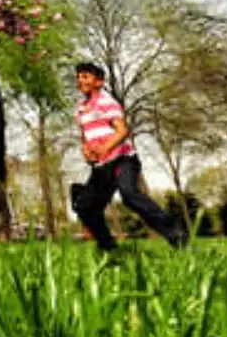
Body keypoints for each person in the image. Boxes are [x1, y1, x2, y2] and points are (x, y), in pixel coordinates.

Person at [70, 61, 187, 252]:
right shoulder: (81, 109)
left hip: (123, 160)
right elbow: (84, 136)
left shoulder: (107, 102)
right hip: (102, 166)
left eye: (85, 76)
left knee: (130, 195)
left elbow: (122, 131)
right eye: (78, 77)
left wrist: (104, 148)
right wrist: (86, 151)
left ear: (99, 82)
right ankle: (108, 247)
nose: (80, 80)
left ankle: (178, 237)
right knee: (85, 206)